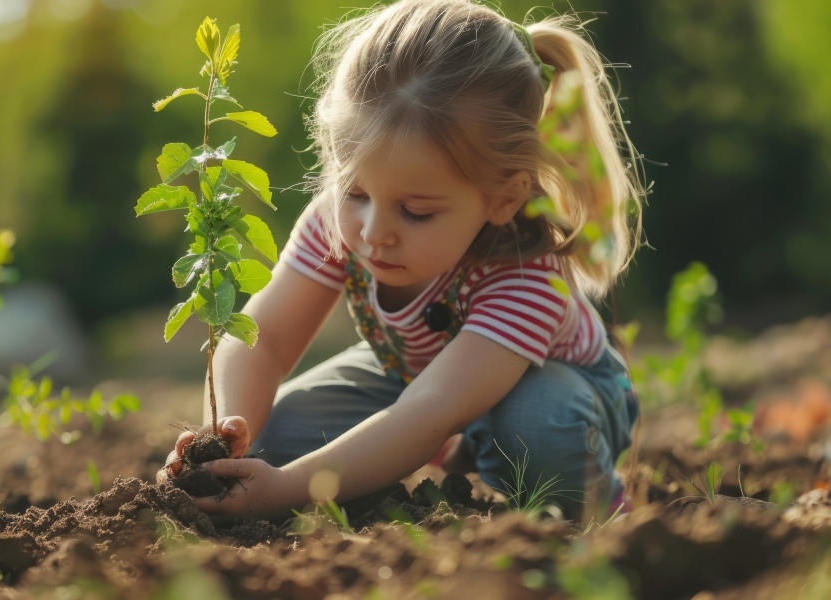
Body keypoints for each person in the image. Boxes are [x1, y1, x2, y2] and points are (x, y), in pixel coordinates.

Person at [159, 0, 644, 522]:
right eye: (355, 191)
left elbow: (431, 409)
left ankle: (598, 499)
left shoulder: (527, 275)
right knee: (276, 435)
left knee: (538, 428)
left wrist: (287, 490)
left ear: (503, 198)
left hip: (557, 388)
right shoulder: (338, 219)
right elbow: (265, 338)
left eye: (415, 212)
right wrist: (230, 432)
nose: (373, 233)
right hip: (421, 380)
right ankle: (462, 442)